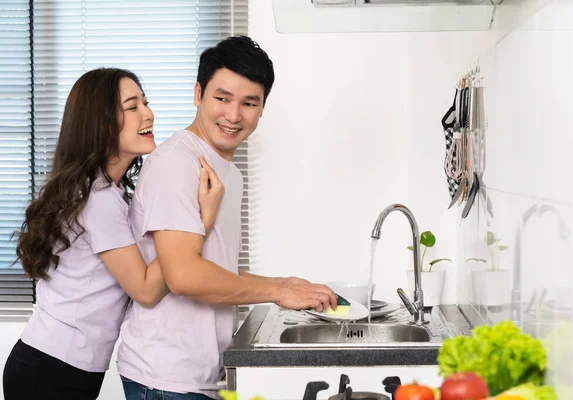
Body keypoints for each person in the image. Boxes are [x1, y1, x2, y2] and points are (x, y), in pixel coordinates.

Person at [117, 36, 337, 400]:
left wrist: (286, 283)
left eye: (249, 103)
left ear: (263, 108)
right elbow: (184, 275)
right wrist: (277, 291)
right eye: (222, 98)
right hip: (165, 378)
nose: (234, 115)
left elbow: (212, 265)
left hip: (198, 375)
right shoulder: (177, 163)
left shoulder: (229, 173)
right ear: (198, 93)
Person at [2, 68, 224, 400]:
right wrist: (201, 220)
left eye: (145, 103)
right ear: (101, 122)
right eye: (132, 106)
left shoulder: (109, 193)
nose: (148, 113)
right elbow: (146, 290)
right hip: (53, 369)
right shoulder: (98, 198)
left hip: (59, 365)